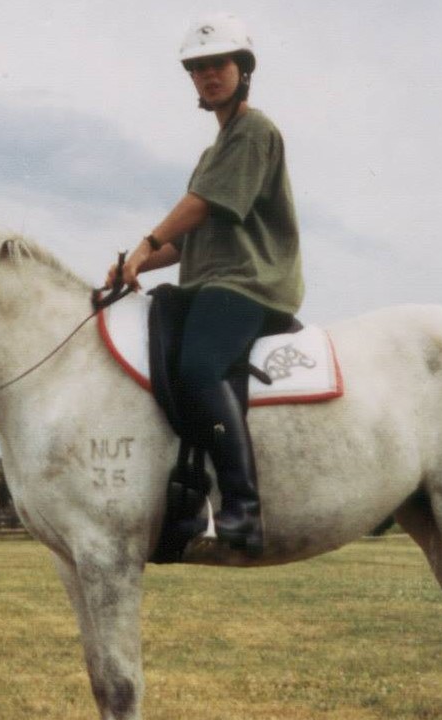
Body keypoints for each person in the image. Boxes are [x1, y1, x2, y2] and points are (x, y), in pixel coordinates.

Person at [107, 13, 305, 557]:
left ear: (243, 70)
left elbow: (199, 209)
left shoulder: (255, 132)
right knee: (160, 325)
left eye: (217, 64)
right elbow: (187, 240)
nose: (207, 76)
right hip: (209, 283)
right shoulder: (211, 153)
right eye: (196, 69)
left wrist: (147, 242)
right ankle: (184, 497)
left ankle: (242, 507)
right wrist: (137, 265)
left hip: (251, 283)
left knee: (199, 365)